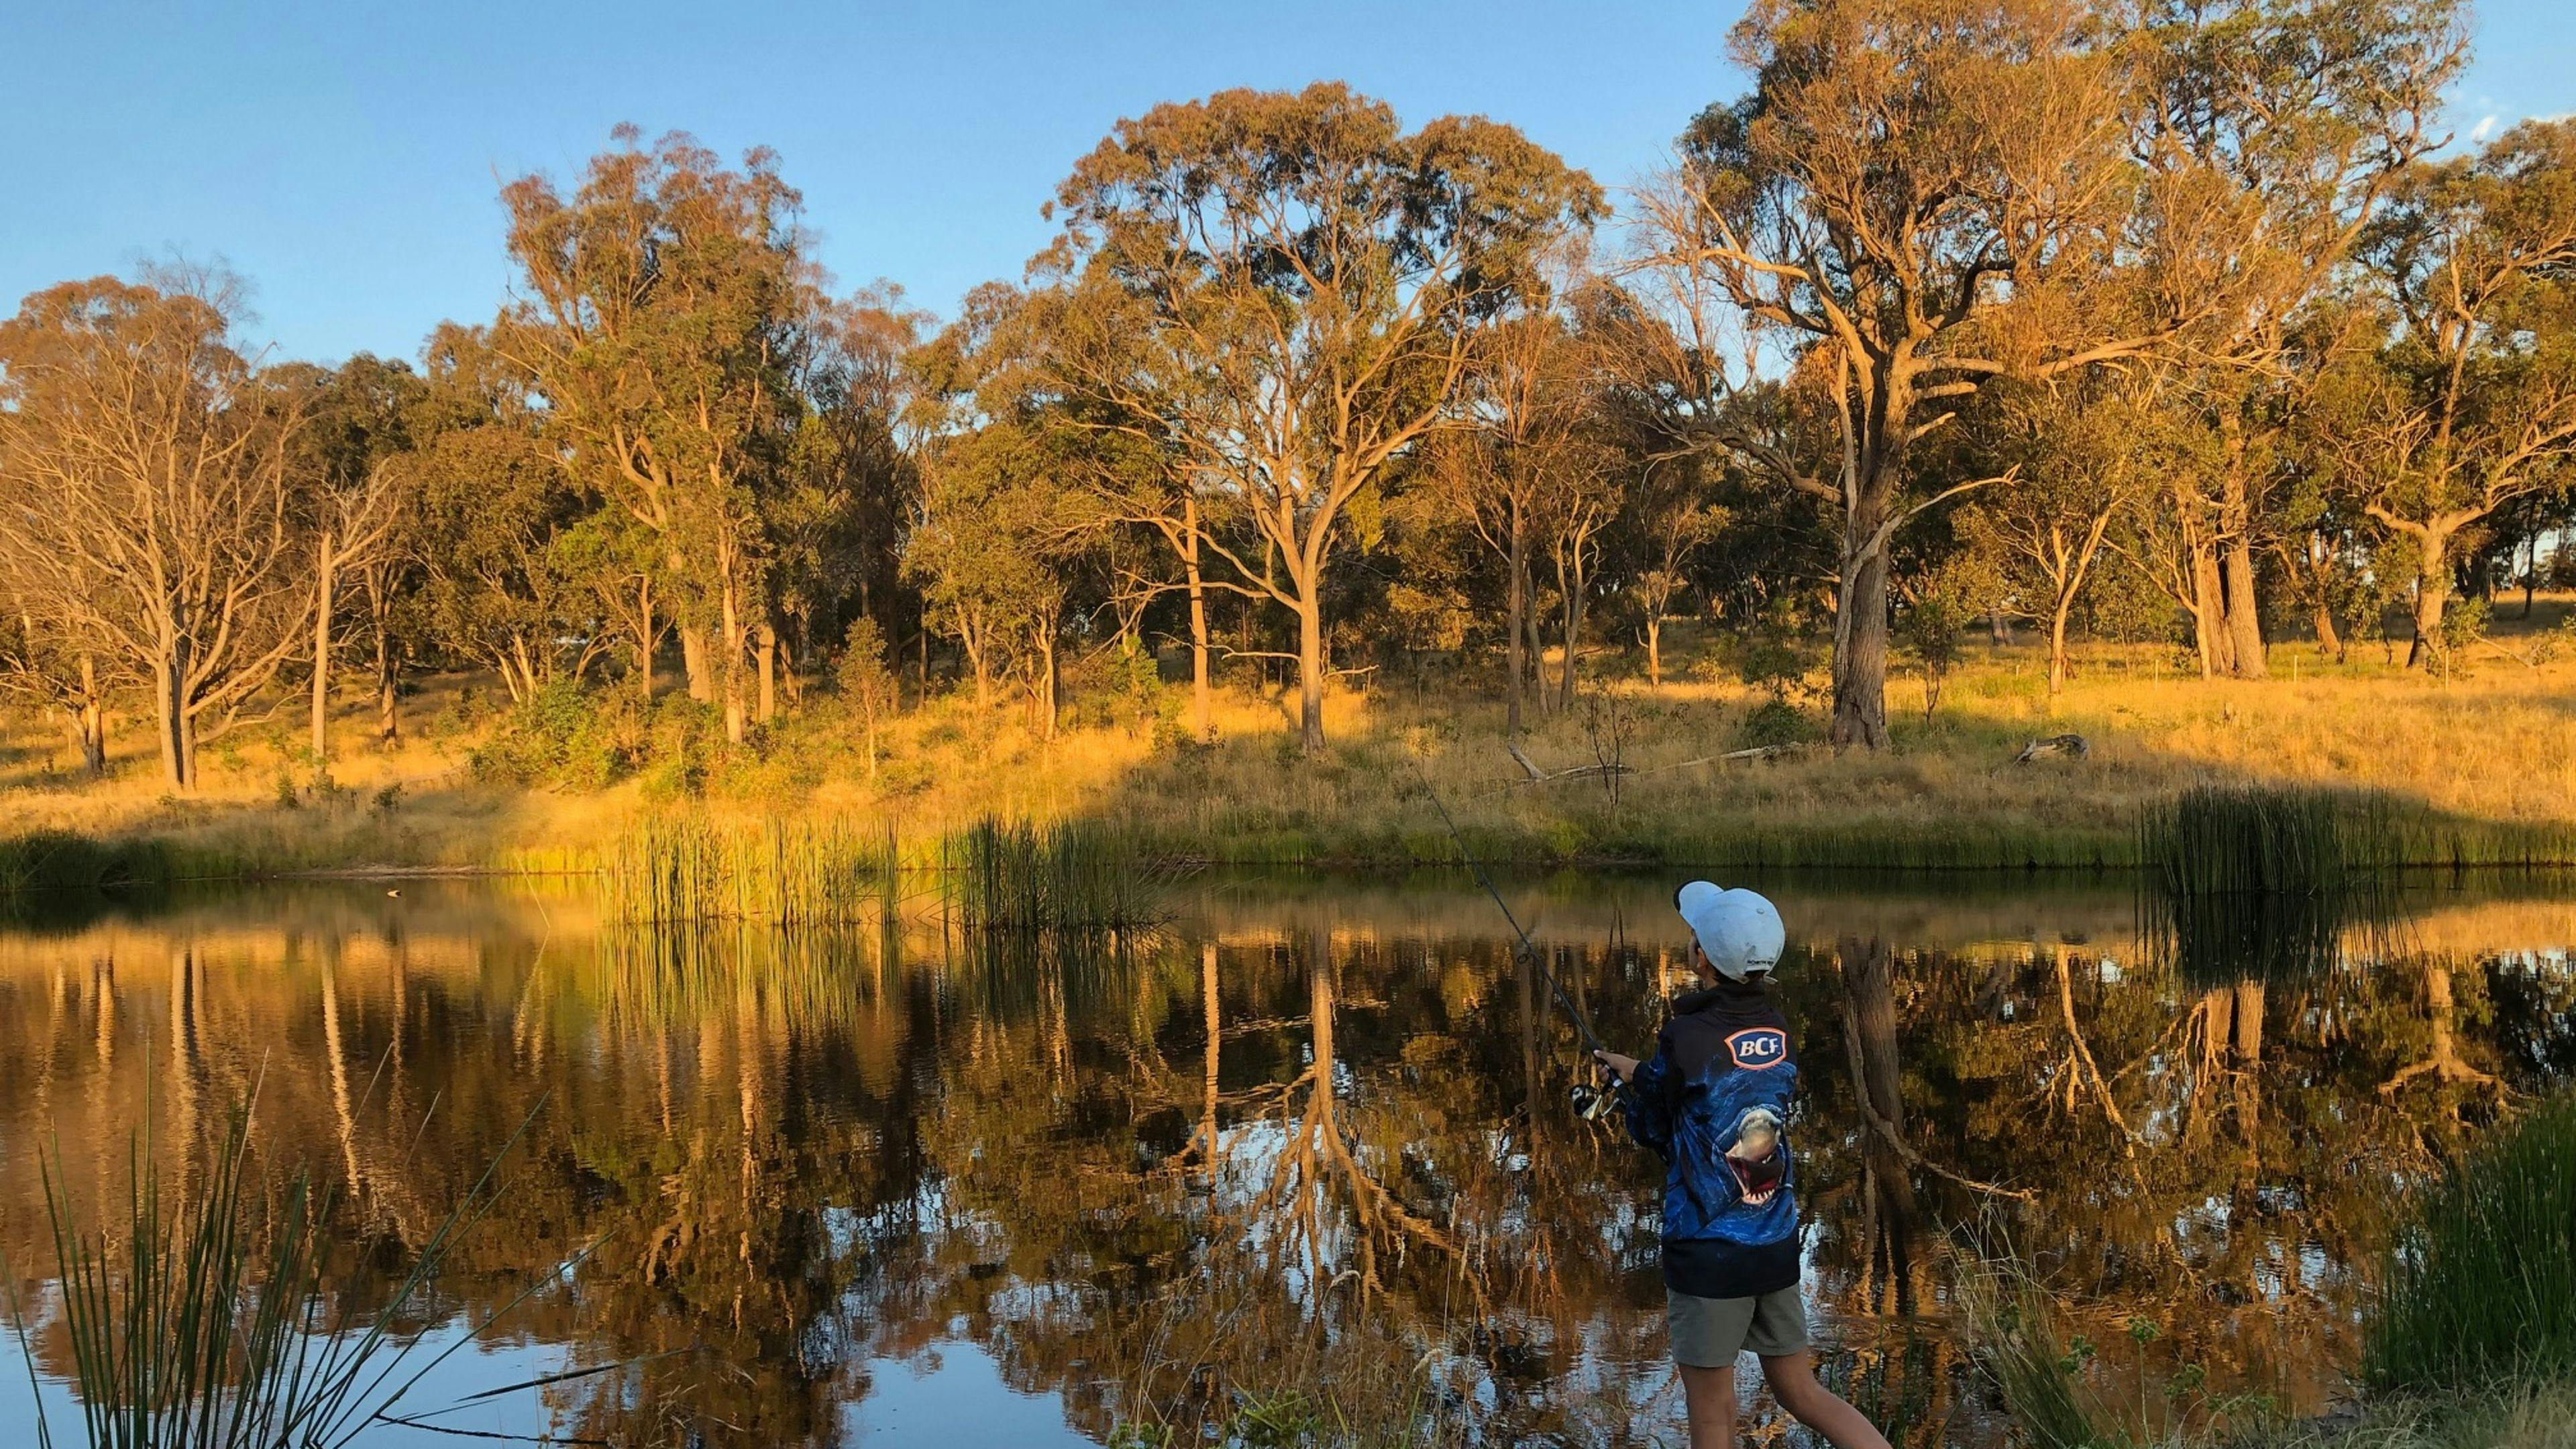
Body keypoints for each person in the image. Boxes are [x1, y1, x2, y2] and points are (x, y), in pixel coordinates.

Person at [1593, 881, 1891, 1449]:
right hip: (1774, 1244)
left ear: (1700, 957)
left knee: (1711, 1413)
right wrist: (1634, 1071)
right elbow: (1712, 1086)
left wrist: (1628, 1088)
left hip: (1708, 1256)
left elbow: (1656, 1126)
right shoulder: (1777, 1029)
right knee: (1801, 1393)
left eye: (1694, 937)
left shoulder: (1684, 1036)